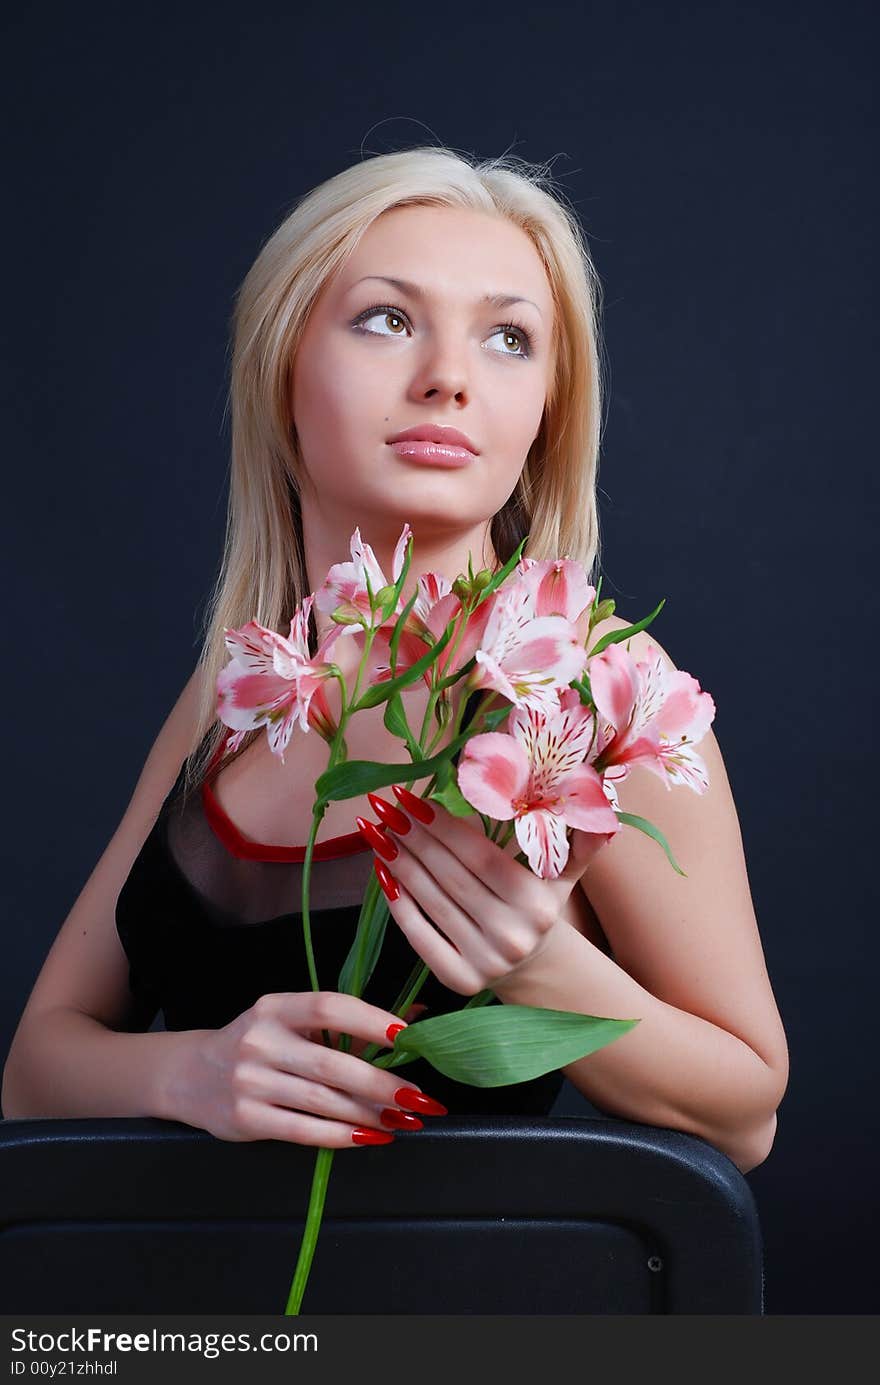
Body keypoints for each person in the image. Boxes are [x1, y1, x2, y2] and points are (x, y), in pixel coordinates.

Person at [1, 146, 788, 1174]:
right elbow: (32, 1072)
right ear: (282, 370)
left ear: (548, 411)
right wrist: (187, 1072)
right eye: (387, 318)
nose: (449, 379)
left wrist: (539, 964)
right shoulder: (240, 690)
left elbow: (746, 1116)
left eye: (508, 338)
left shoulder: (599, 688)